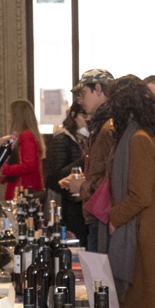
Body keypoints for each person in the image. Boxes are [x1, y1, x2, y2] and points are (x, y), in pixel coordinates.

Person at [102, 75, 155, 308]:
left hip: (142, 238)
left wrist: (115, 217)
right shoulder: (139, 134)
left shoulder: (138, 138)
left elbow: (140, 195)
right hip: (141, 234)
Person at [60, 68, 114, 251]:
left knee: (100, 278)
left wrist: (82, 186)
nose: (79, 101)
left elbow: (113, 178)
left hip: (103, 216)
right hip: (98, 214)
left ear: (98, 89)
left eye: (83, 93)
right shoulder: (102, 123)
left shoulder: (109, 126)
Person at [44, 100, 89, 242]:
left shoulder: (86, 138)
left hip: (83, 202)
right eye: (84, 116)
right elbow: (55, 177)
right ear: (74, 115)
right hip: (68, 205)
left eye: (90, 116)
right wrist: (84, 159)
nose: (88, 120)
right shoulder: (62, 139)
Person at [0, 98, 45, 200]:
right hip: (25, 187)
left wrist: (4, 169)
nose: (8, 116)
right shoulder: (27, 134)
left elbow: (29, 165)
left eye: (11, 113)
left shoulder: (26, 135)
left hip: (24, 189)